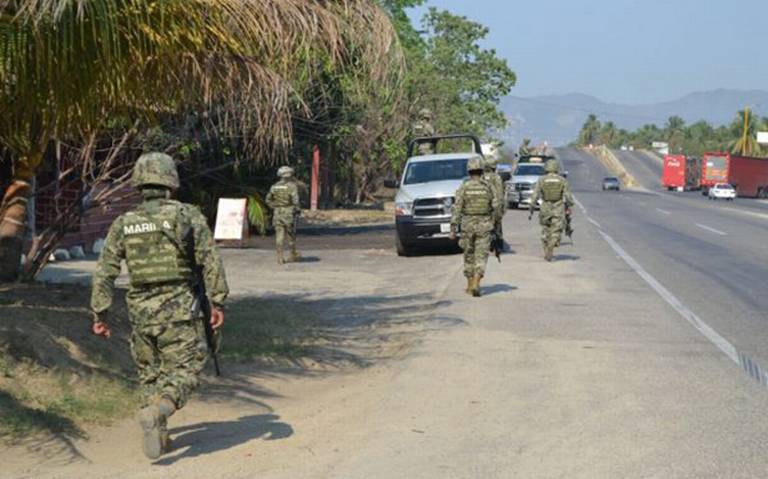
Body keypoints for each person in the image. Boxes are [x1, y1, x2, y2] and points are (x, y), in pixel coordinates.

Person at [90, 152, 229, 460]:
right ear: (171, 182)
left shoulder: (123, 223)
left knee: (149, 374)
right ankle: (161, 410)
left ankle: (158, 431)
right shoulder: (187, 216)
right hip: (179, 310)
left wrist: (100, 313)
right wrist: (218, 301)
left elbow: (105, 270)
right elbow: (210, 260)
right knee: (186, 369)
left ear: (139, 183)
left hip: (140, 313)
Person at [450, 156, 500, 297]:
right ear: (481, 169)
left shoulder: (464, 187)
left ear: (469, 170)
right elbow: (495, 207)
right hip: (484, 225)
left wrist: (453, 228)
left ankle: (469, 284)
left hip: (467, 225)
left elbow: (457, 208)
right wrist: (494, 223)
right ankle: (477, 281)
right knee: (481, 255)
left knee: (468, 255)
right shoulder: (488, 187)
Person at [529, 159, 574, 262]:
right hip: (558, 207)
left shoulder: (541, 180)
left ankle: (546, 248)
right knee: (556, 229)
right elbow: (568, 196)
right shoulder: (562, 180)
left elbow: (535, 194)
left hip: (545, 207)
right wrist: (570, 204)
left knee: (546, 228)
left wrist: (531, 206)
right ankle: (551, 245)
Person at [266, 166, 301, 264]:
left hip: (277, 213)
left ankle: (280, 258)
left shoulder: (274, 187)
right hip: (289, 212)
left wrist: (275, 207)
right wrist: (297, 209)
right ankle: (292, 255)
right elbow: (295, 201)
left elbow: (268, 200)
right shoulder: (292, 186)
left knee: (279, 235)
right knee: (291, 235)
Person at [483, 156, 506, 246]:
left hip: (484, 204)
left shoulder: (482, 177)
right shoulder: (496, 177)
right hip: (495, 204)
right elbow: (500, 193)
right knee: (497, 223)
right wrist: (502, 206)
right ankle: (499, 241)